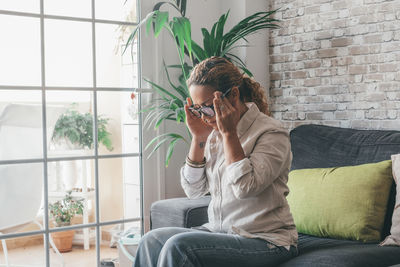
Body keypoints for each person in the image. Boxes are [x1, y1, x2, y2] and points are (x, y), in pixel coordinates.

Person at [133, 56, 298, 267]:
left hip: (266, 240)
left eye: (208, 107)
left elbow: (245, 187)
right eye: (198, 109)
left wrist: (230, 134)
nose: (204, 117)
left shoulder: (271, 133)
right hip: (220, 231)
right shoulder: (213, 134)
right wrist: (199, 138)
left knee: (179, 246)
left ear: (234, 95)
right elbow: (193, 190)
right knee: (151, 240)